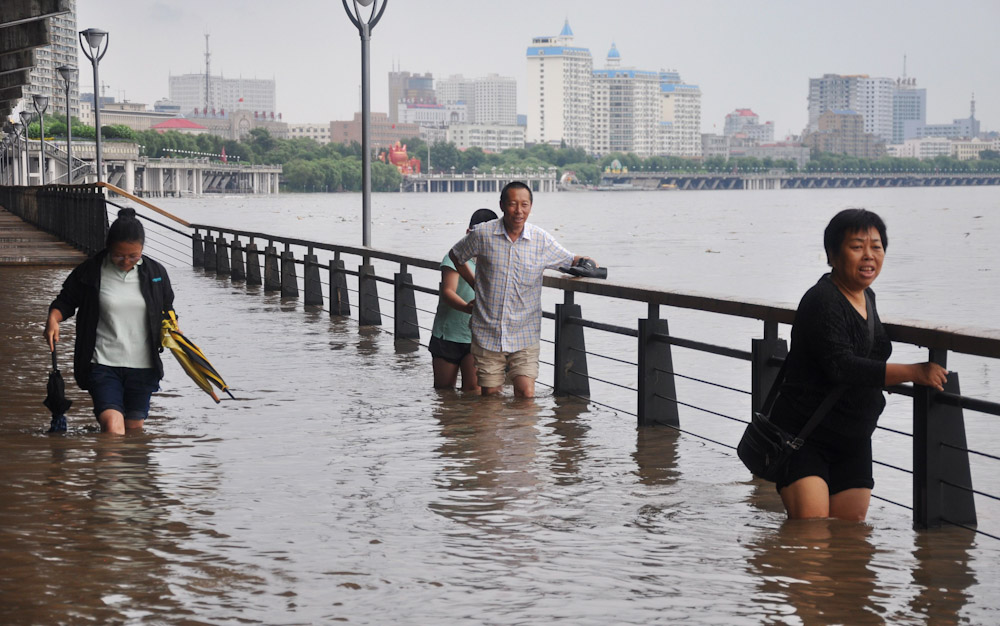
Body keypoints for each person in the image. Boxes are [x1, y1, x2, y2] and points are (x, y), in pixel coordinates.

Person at [770, 208, 948, 521]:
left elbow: (867, 356)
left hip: (854, 440)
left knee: (850, 544)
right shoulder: (822, 299)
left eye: (876, 247)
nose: (869, 256)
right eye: (857, 247)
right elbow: (841, 365)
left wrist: (882, 378)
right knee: (810, 540)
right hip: (805, 436)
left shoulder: (868, 297)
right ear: (832, 254)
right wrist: (913, 372)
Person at [449, 181, 593, 398]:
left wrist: (587, 262)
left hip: (525, 331)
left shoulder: (540, 239)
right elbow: (456, 256)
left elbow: (568, 258)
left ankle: (522, 433)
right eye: (513, 204)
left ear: (531, 207)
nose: (519, 211)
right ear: (502, 205)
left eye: (524, 205)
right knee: (490, 396)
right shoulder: (482, 235)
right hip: (488, 329)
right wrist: (476, 285)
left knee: (526, 394)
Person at [44, 208, 176, 435]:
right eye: (119, 255)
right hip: (102, 364)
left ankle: (120, 471)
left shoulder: (156, 273)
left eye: (133, 256)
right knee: (113, 428)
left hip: (144, 367)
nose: (126, 261)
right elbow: (65, 301)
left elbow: (167, 311)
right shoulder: (91, 272)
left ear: (142, 249)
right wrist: (53, 319)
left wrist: (174, 331)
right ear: (108, 247)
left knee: (134, 433)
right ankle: (107, 470)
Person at [430, 208, 498, 391]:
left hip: (478, 337)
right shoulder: (455, 257)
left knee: (473, 393)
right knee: (444, 391)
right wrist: (467, 308)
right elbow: (448, 292)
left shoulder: (495, 261)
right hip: (448, 334)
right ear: (469, 233)